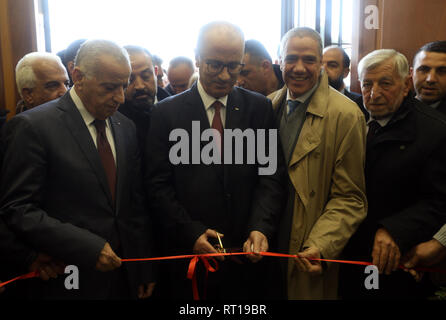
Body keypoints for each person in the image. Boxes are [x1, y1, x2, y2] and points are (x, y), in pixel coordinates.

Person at [0, 39, 155, 300]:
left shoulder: (125, 126)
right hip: (66, 277)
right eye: (109, 87)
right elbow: (18, 208)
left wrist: (142, 266)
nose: (119, 97)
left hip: (124, 277)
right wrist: (87, 247)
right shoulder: (33, 127)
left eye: (123, 86)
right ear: (78, 76)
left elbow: (134, 205)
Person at [145, 21, 286, 300]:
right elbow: (157, 185)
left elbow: (270, 176)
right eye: (214, 65)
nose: (225, 75)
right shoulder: (166, 113)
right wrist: (191, 233)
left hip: (247, 256)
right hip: (191, 256)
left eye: (234, 66)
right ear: (197, 58)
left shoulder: (259, 108)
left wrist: (261, 226)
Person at [267, 27, 367, 300]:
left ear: (320, 63)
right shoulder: (267, 107)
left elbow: (350, 199)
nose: (299, 68)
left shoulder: (346, 116)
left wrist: (321, 245)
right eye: (291, 59)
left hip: (306, 247)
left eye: (309, 60)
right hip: (264, 247)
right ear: (279, 61)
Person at [340, 49, 446, 299]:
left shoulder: (435, 132)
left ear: (406, 84)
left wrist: (394, 229)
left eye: (385, 84)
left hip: (399, 254)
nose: (374, 94)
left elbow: (439, 201)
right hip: (346, 250)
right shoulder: (348, 115)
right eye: (367, 84)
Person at [119, 45, 158, 155]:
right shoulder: (113, 120)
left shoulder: (176, 109)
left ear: (155, 72)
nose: (139, 86)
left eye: (145, 76)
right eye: (130, 80)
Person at [322, 45, 369, 120]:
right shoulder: (306, 102)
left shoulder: (360, 104)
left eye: (332, 65)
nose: (323, 70)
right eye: (320, 64)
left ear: (345, 72)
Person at [412, 40, 446, 115]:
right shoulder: (394, 106)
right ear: (411, 73)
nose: (430, 79)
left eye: (442, 71)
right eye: (423, 69)